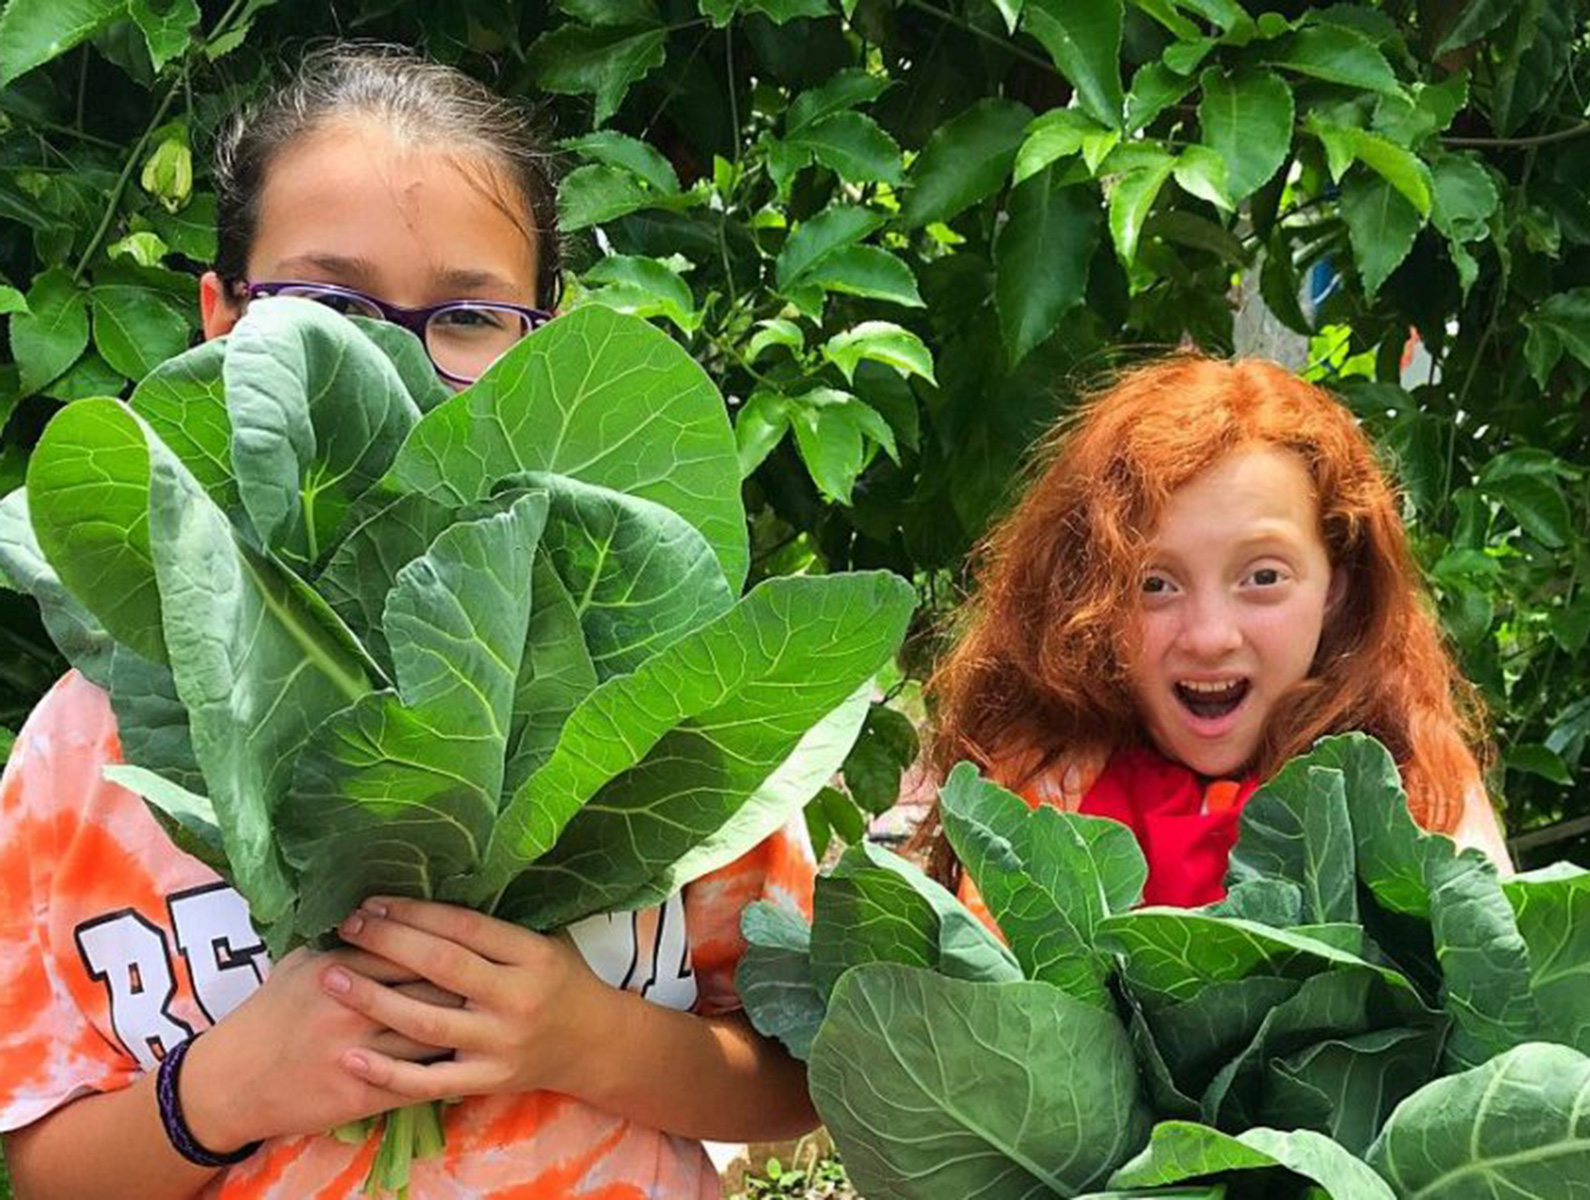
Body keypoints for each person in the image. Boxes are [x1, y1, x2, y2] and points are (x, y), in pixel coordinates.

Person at [0, 45, 816, 1200]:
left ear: (544, 341)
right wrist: (223, 1089)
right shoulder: (81, 756)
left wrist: (584, 1039)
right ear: (220, 319)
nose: (392, 356)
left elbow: (796, 1078)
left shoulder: (665, 697)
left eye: (469, 313)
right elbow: (44, 1167)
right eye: (329, 303)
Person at [913, 356, 1513, 910]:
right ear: (1087, 597)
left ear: (1337, 586)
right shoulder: (1045, 784)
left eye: (1263, 577)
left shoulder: (1417, 782)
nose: (1208, 637)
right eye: (1154, 584)